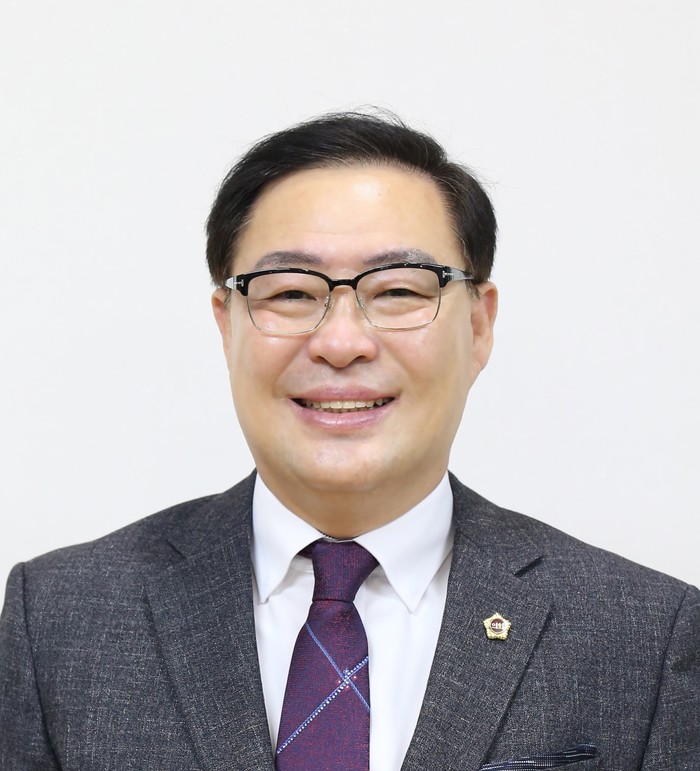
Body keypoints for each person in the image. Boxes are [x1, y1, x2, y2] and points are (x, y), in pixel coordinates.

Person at [0, 112, 698, 771]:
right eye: (290, 293)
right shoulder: (61, 618)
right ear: (227, 323)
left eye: (398, 291)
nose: (340, 342)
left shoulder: (642, 634)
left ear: (479, 325)